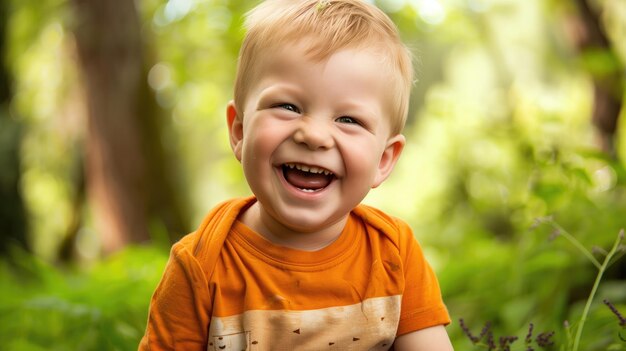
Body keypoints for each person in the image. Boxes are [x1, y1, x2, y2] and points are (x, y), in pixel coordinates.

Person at [139, 0, 452, 350]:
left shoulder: (394, 254)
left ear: (384, 159)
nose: (314, 135)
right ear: (239, 132)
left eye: (349, 120)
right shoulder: (201, 265)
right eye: (288, 107)